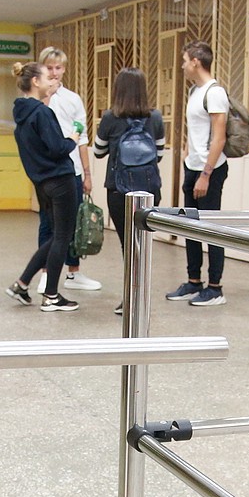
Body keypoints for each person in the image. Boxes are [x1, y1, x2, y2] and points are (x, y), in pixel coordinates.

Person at [4, 61, 81, 312]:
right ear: (35, 82)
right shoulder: (42, 113)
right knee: (63, 236)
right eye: (48, 77)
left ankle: (22, 284)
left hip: (43, 183)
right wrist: (73, 139)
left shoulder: (22, 115)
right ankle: (51, 296)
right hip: (61, 180)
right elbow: (58, 148)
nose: (53, 81)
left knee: (56, 235)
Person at [92, 67, 165, 314]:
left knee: (128, 245)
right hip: (149, 190)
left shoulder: (110, 118)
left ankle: (130, 300)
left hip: (119, 190)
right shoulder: (155, 117)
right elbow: (159, 154)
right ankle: (142, 297)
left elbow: (98, 151)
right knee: (144, 245)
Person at [166, 40, 230, 306]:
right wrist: (186, 157)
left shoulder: (215, 93)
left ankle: (215, 288)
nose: (182, 66)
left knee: (211, 228)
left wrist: (206, 174)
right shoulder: (195, 91)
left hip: (209, 170)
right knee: (190, 226)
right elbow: (194, 130)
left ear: (195, 62)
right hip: (192, 167)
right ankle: (194, 281)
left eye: (184, 61)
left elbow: (219, 138)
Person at [34, 46, 100, 294]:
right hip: (47, 172)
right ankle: (45, 273)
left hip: (72, 170)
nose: (54, 73)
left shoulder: (73, 99)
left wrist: (87, 174)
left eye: (58, 67)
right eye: (49, 67)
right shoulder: (36, 100)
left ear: (64, 69)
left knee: (73, 222)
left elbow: (82, 138)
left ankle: (74, 271)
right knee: (48, 223)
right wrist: (47, 96)